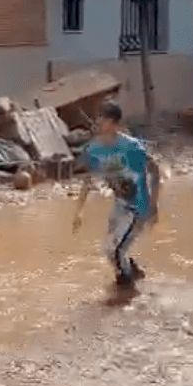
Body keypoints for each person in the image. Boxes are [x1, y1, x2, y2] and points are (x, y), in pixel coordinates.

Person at [72, 101, 161, 289]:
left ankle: (127, 293)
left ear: (113, 123)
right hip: (120, 206)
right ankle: (134, 275)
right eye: (98, 117)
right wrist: (79, 211)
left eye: (102, 118)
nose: (97, 122)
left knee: (116, 250)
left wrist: (153, 205)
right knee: (110, 250)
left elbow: (154, 170)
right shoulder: (95, 149)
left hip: (138, 207)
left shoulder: (131, 147)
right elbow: (88, 180)